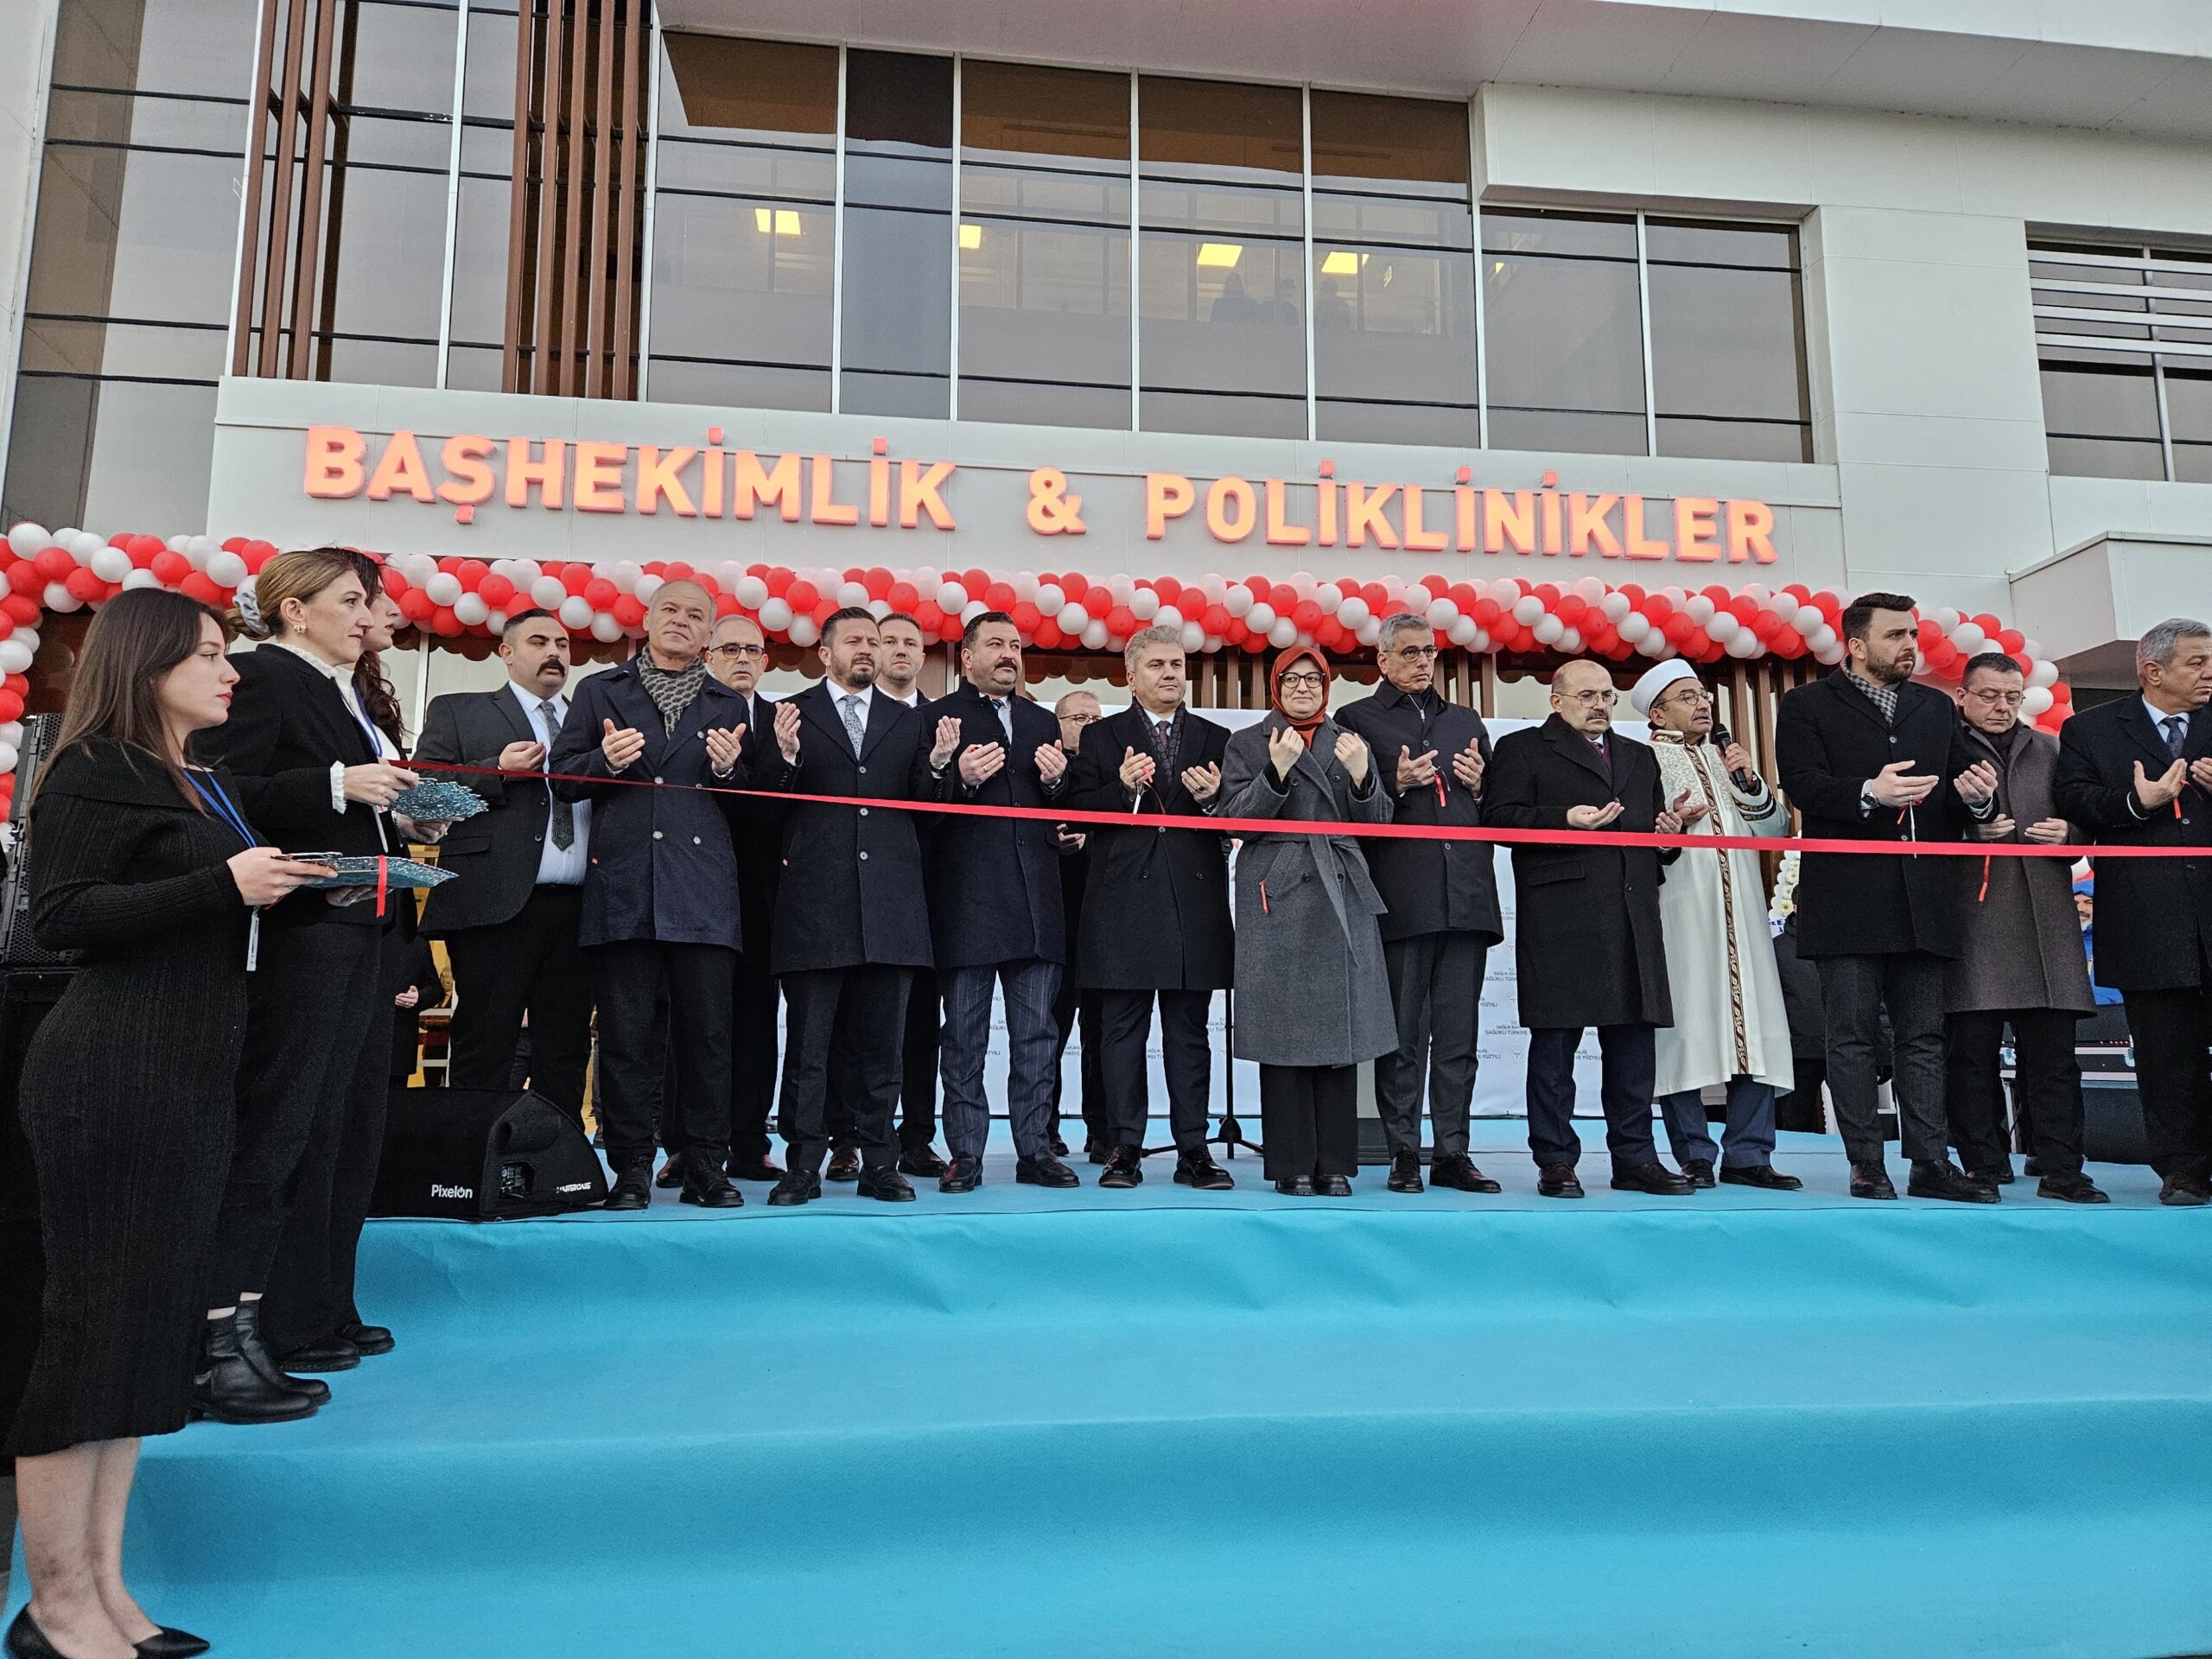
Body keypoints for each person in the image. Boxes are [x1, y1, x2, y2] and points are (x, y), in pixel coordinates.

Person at [6, 590, 331, 1659]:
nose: (230, 673)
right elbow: (60, 916)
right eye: (208, 656)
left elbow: (219, 896)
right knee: (87, 1335)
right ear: (145, 665)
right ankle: (54, 1604)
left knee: (144, 1344)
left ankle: (106, 1588)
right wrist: (221, 883)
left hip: (193, 1073)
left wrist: (295, 881)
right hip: (113, 1072)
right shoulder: (97, 768)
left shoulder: (209, 778)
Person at [198, 547, 415, 1407]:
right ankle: (268, 1318)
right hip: (306, 932)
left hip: (367, 926)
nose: (369, 617)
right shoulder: (261, 676)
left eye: (373, 601)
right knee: (297, 1122)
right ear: (295, 609)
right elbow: (227, 789)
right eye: (351, 600)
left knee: (352, 1121)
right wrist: (334, 782)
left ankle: (321, 1306)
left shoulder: (345, 694)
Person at [1776, 591, 2002, 1203]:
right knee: (1849, 1035)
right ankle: (1866, 1165)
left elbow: (1956, 792)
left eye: (1914, 634)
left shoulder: (1933, 707)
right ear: (1855, 644)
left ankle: (1931, 1161)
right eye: (1897, 635)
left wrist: (1979, 801)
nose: (1911, 645)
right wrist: (1869, 794)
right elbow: (1803, 786)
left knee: (1924, 1037)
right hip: (1847, 898)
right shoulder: (1806, 706)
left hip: (1925, 897)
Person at [550, 579, 751, 1212]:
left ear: (708, 635)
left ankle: (705, 1166)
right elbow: (561, 779)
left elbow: (749, 798)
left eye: (696, 616)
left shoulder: (729, 703)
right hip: (625, 887)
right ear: (647, 618)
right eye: (671, 610)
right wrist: (604, 762)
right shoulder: (598, 690)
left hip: (702, 893)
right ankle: (631, 1166)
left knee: (708, 1039)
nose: (681, 622)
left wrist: (727, 772)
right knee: (627, 1038)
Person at [758, 608, 951, 1205]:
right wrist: (784, 758)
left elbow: (928, 809)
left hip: (891, 912)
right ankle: (803, 1165)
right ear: (826, 652)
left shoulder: (911, 720)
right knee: (810, 1050)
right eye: (856, 641)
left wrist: (941, 768)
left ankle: (879, 1164)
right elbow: (763, 807)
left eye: (875, 641)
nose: (868, 650)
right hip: (815, 908)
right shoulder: (788, 715)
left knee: (883, 1050)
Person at [1486, 660, 1696, 1197]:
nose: (1600, 704)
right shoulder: (1522, 749)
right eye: (1586, 695)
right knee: (1555, 1047)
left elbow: (1655, 840)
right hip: (1563, 919)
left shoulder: (1638, 756)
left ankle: (1635, 1158)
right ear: (1556, 701)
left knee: (1633, 1049)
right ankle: (1555, 1160)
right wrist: (1564, 819)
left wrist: (1668, 835)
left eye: (1606, 694)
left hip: (1632, 916)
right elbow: (1497, 820)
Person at [1336, 612, 1503, 1195]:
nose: (1420, 662)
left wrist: (1482, 786)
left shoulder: (1465, 720)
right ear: (1381, 660)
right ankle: (1404, 1150)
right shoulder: (1356, 719)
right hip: (1403, 899)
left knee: (1458, 1037)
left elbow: (1499, 808)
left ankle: (1453, 1152)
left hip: (1467, 896)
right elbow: (1345, 803)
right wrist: (1394, 780)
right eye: (1407, 653)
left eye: (1427, 652)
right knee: (1403, 1037)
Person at [1217, 647, 1394, 1196]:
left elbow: (1379, 823)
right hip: (1278, 895)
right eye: (1291, 680)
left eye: (1312, 679)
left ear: (1326, 685)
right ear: (1275, 686)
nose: (1302, 688)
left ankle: (1335, 1164)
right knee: (1285, 1034)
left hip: (1339, 890)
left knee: (1339, 1034)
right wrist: (1276, 771)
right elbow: (1233, 820)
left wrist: (1365, 779)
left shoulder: (1350, 742)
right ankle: (1291, 1164)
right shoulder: (1248, 742)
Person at [1065, 628, 1236, 1191]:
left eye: (1177, 664)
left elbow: (1238, 816)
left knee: (1190, 1034)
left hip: (1194, 900)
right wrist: (1119, 788)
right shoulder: (1102, 738)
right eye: (1158, 664)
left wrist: (1214, 801)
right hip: (1122, 905)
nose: (1170, 673)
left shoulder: (1216, 737)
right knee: (1121, 1034)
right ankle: (1124, 1149)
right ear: (1130, 675)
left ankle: (1195, 1150)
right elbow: (1075, 812)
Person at [2055, 616, 2212, 1206]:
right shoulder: (2091, 730)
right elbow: (2074, 802)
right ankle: (2184, 1171)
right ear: (2153, 670)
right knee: (2167, 1054)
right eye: (2196, 662)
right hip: (2148, 917)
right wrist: (2136, 802)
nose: (2208, 673)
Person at [415, 607, 594, 1121]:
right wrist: (496, 771)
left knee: (565, 1045)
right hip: (494, 903)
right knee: (485, 1041)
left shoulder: (590, 720)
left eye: (562, 643)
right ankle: (472, 1160)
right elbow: (425, 799)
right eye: (540, 642)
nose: (555, 652)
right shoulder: (459, 710)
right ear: (506, 652)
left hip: (579, 906)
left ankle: (560, 1163)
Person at [1631, 659, 1802, 1190]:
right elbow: (1638, 837)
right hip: (1679, 911)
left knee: (1756, 1027)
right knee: (1686, 1030)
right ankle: (1694, 1154)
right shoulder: (1641, 761)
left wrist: (1748, 783)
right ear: (1658, 711)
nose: (1703, 704)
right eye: (1687, 697)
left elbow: (1775, 829)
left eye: (1703, 695)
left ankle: (1750, 1154)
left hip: (1746, 917)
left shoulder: (1725, 758)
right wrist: (1668, 827)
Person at [1939, 652, 2103, 1200]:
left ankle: (2063, 1171)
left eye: (2011, 696)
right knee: (1970, 1057)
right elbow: (1915, 827)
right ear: (1961, 696)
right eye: (1988, 695)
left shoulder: (2052, 748)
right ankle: (1983, 1167)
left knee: (2055, 1060)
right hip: (1972, 918)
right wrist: (1967, 837)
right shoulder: (1941, 747)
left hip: (2047, 925)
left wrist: (2072, 837)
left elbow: (2088, 816)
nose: (2001, 707)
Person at [927, 611, 1077, 1192]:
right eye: (995, 645)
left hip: (1037, 904)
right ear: (967, 658)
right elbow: (920, 802)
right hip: (966, 905)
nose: (1009, 654)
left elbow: (1059, 803)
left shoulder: (1043, 720)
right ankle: (964, 1153)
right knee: (964, 1036)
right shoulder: (936, 718)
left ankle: (1035, 1150)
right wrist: (955, 775)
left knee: (1038, 1036)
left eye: (1015, 645)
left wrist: (1060, 782)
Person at [827, 609, 948, 1179]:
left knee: (920, 1026)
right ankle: (846, 1137)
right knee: (851, 1022)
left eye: (908, 642)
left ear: (924, 656)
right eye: (886, 640)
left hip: (928, 897)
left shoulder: (942, 720)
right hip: (852, 893)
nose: (897, 649)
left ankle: (916, 1137)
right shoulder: (847, 718)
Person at [705, 612, 785, 1183]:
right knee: (694, 1021)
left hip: (766, 896)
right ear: (708, 657)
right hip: (695, 889)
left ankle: (751, 1141)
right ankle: (688, 1146)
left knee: (757, 1022)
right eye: (729, 648)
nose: (741, 659)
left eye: (752, 651)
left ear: (765, 661)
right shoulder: (688, 712)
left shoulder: (785, 720)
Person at [1047, 689, 1107, 1160]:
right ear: (1058, 722)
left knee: (1104, 1032)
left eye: (1095, 717)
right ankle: (1044, 1127)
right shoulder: (1045, 764)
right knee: (1050, 1030)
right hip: (1056, 918)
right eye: (1077, 717)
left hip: (1108, 916)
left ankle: (1102, 1131)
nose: (1087, 725)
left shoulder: (1112, 763)